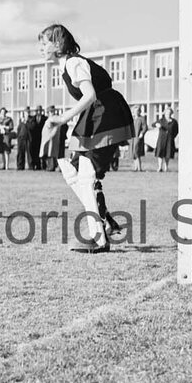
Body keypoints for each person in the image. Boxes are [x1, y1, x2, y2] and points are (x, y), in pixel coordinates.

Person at [39, 23, 135, 253]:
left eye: (44, 44)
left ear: (57, 44)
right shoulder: (68, 65)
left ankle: (99, 237)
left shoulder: (73, 62)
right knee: (71, 169)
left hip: (105, 113)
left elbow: (90, 95)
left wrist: (62, 119)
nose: (41, 49)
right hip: (98, 113)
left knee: (84, 176)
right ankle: (104, 221)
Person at [39, 105, 64, 171]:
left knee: (51, 153)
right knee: (48, 153)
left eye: (51, 112)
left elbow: (54, 126)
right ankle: (49, 166)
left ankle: (51, 166)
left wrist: (51, 135)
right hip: (48, 138)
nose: (49, 113)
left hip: (51, 138)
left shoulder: (54, 118)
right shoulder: (50, 118)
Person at [152, 108, 172, 173]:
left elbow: (176, 130)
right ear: (164, 113)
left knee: (167, 154)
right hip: (161, 139)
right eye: (167, 113)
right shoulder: (161, 120)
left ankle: (166, 167)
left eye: (169, 113)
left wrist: (172, 136)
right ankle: (160, 167)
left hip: (169, 139)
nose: (168, 114)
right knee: (160, 153)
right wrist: (156, 125)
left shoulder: (173, 121)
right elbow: (153, 124)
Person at [130, 105, 147, 172]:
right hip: (132, 138)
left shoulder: (142, 118)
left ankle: (139, 168)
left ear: (139, 111)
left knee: (136, 151)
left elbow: (145, 127)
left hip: (138, 137)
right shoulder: (132, 119)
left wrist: (142, 133)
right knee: (133, 153)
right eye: (134, 111)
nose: (136, 112)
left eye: (137, 111)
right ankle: (135, 167)